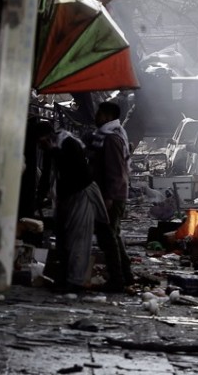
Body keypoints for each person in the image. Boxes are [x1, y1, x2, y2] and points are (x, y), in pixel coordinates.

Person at [34, 121, 109, 293]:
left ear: (47, 137)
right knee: (62, 239)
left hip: (81, 194)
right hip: (66, 197)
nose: (39, 146)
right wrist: (40, 195)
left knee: (79, 239)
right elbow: (46, 174)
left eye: (40, 142)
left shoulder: (68, 143)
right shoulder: (50, 148)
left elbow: (76, 170)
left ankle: (75, 281)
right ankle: (64, 277)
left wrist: (53, 152)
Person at [86, 101, 135, 291]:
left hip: (111, 195)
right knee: (112, 235)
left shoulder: (111, 139)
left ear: (107, 116)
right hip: (112, 194)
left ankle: (117, 279)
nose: (96, 117)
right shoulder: (109, 136)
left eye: (99, 113)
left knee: (107, 237)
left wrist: (109, 197)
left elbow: (115, 171)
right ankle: (126, 275)